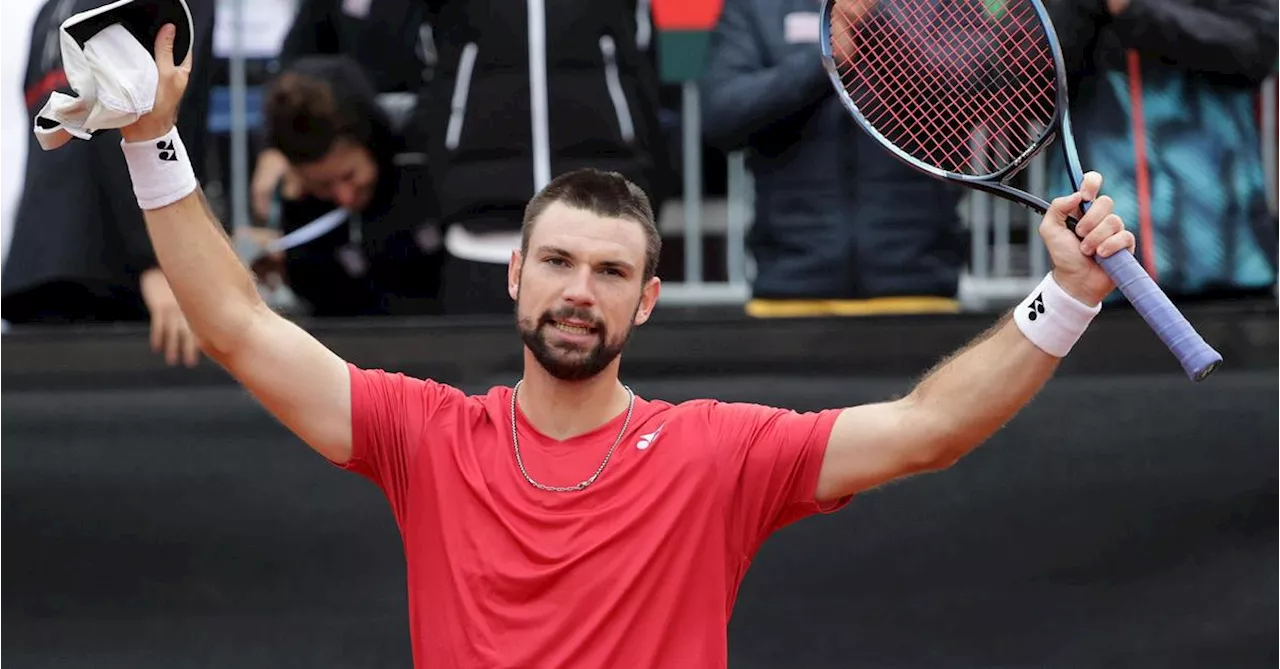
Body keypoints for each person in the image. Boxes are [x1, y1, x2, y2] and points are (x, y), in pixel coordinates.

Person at [112, 25, 1135, 668]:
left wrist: (1068, 294)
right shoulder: (426, 435)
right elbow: (238, 328)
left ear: (647, 301)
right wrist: (152, 142)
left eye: (607, 273)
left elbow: (929, 429)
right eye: (556, 262)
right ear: (514, 276)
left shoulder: (715, 452)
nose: (576, 291)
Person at [700, 0, 968, 318]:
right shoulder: (757, 7)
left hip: (921, 293)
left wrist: (880, 32)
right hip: (789, 296)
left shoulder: (943, 5)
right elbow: (721, 117)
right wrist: (824, 59)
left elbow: (980, 90)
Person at [0, 0, 216, 367]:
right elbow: (127, 125)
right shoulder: (161, 5)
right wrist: (158, 262)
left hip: (36, 265)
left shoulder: (51, 10)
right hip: (118, 272)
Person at [1046, 0, 1279, 302]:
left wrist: (1133, 10)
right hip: (1097, 268)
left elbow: (1257, 48)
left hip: (1231, 263)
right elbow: (1030, 76)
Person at [251, 55, 444, 317]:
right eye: (323, 186)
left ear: (370, 146)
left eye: (349, 175)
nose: (345, 197)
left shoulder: (426, 162)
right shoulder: (300, 202)